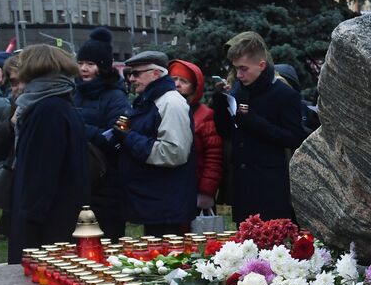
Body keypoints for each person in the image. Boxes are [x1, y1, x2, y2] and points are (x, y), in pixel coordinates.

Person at [0, 45, 89, 263]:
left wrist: (27, 221)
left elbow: (40, 174)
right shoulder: (57, 103)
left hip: (45, 226)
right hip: (56, 216)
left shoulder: (47, 110)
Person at [212, 31, 313, 223]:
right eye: (236, 69)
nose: (239, 75)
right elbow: (225, 132)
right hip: (243, 185)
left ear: (262, 65)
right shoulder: (238, 90)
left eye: (243, 69)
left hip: (270, 186)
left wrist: (255, 122)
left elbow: (294, 138)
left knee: (272, 246)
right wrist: (219, 103)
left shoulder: (283, 94)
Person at [111, 51, 196, 235]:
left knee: (169, 261)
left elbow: (174, 153)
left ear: (156, 74)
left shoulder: (171, 103)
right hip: (156, 202)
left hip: (166, 205)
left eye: (136, 73)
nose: (131, 78)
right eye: (129, 74)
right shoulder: (150, 100)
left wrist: (128, 136)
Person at [74, 27, 131, 239]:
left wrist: (79, 129)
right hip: (81, 179)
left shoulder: (115, 97)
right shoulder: (76, 93)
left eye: (90, 64)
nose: (84, 69)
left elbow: (117, 136)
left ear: (103, 66)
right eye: (80, 63)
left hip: (108, 181)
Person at [169, 59, 224, 213]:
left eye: (183, 81)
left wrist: (206, 191)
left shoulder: (204, 115)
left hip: (195, 190)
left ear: (194, 87)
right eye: (173, 79)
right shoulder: (163, 110)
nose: (177, 84)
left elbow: (213, 157)